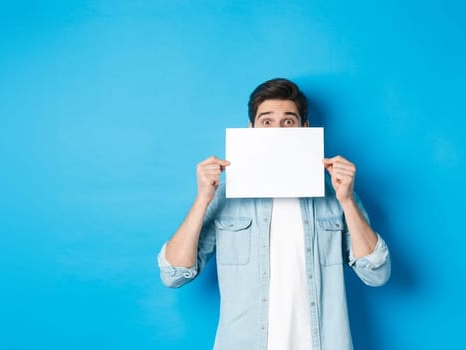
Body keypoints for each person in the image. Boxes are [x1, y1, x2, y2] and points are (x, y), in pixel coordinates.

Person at [157, 78, 391, 350]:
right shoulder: (224, 194)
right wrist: (202, 199)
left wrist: (347, 201)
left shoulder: (335, 194)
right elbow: (172, 274)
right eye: (266, 122)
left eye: (288, 122)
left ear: (305, 129)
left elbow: (377, 274)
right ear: (251, 129)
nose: (277, 130)